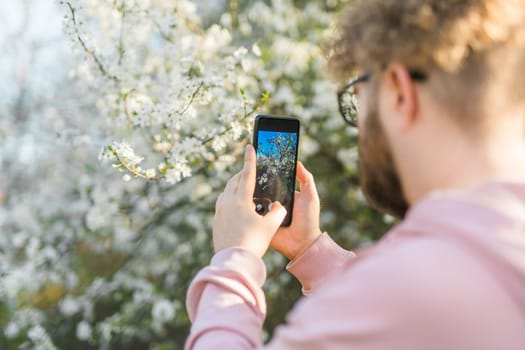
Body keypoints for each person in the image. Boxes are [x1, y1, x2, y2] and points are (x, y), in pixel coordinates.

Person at [185, 0, 525, 349]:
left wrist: (233, 262)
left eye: (357, 97)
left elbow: (396, 304)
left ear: (398, 92)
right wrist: (311, 251)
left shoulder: (396, 291)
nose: (358, 125)